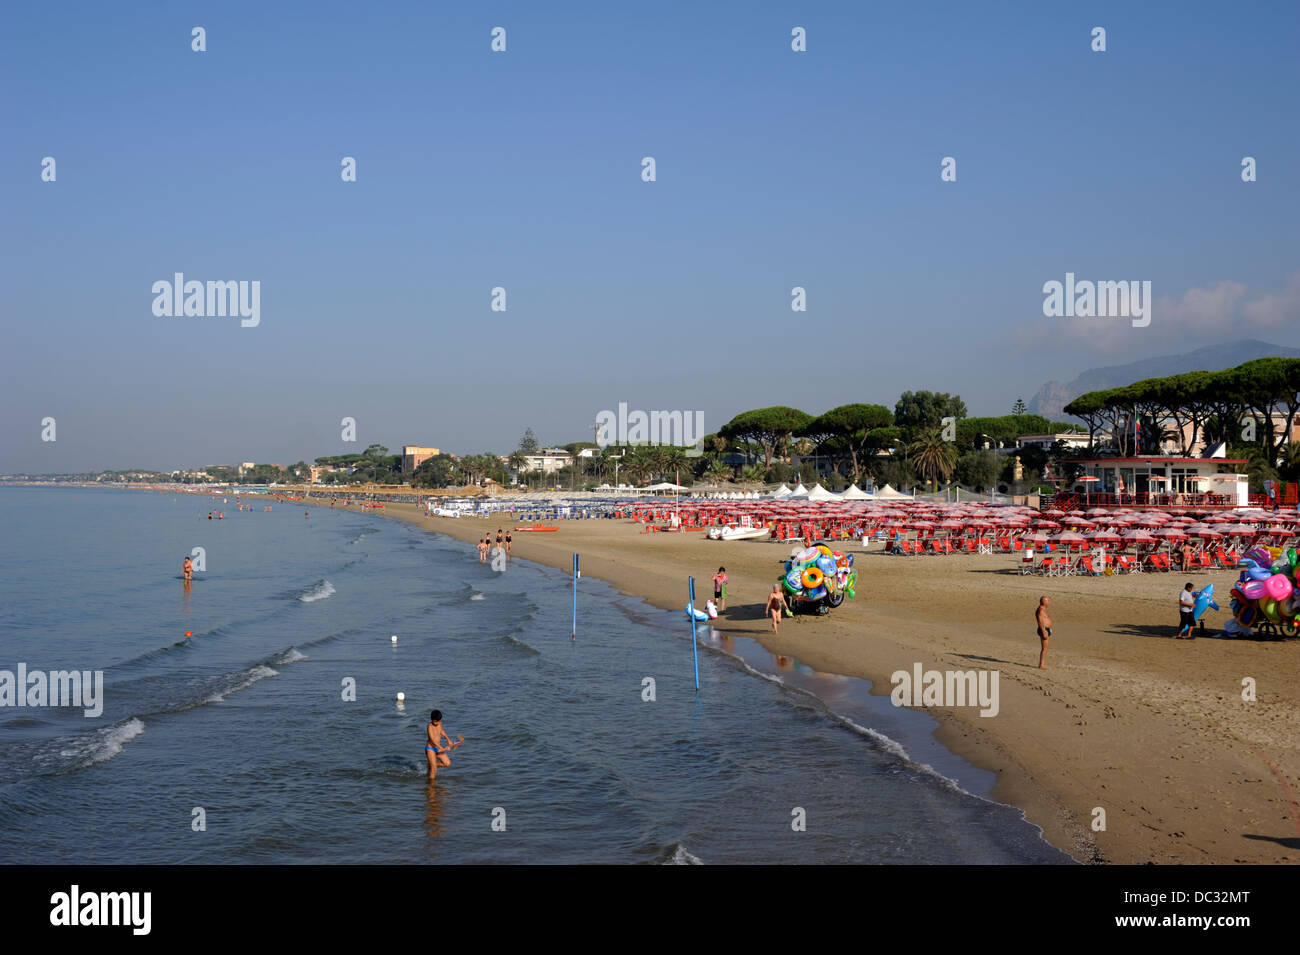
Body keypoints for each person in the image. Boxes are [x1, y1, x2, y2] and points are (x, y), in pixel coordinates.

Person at [426, 709, 456, 779]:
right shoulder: (429, 726)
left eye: (438, 721)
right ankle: (431, 787)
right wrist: (443, 748)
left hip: (438, 748)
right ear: (432, 719)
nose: (437, 723)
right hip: (430, 748)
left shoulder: (439, 722)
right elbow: (432, 740)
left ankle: (430, 765)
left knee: (447, 763)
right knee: (434, 769)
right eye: (435, 721)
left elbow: (441, 731)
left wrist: (448, 739)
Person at [1035, 596, 1052, 669]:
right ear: (1044, 602)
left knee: (1045, 648)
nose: (1049, 602)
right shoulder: (1041, 610)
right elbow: (1040, 620)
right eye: (1048, 601)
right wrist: (1043, 630)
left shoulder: (1043, 609)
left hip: (1046, 629)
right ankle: (1041, 664)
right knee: (1044, 648)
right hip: (1044, 630)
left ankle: (1042, 664)